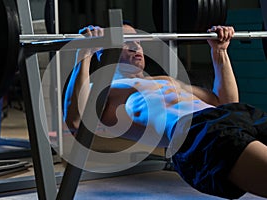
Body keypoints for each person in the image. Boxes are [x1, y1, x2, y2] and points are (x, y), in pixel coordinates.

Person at [63, 23, 267, 199]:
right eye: (126, 40)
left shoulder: (165, 81)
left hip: (239, 117)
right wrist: (85, 53)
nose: (136, 46)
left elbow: (226, 103)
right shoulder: (105, 90)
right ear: (103, 50)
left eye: (139, 40)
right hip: (197, 135)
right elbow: (76, 122)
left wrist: (220, 52)